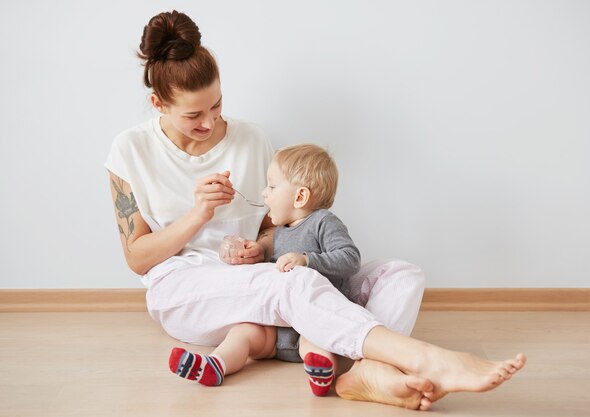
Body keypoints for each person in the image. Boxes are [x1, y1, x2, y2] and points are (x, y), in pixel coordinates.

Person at [105, 10, 526, 411]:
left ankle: (363, 373)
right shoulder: (130, 150)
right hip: (184, 289)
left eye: (216, 106)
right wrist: (198, 215)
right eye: (193, 115)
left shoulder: (252, 139)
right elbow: (137, 258)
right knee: (292, 282)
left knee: (399, 275)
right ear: (159, 104)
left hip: (261, 278)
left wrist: (259, 247)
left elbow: (275, 229)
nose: (210, 123)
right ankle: (423, 359)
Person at [170, 143, 370, 397]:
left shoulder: (323, 222)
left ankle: (322, 372)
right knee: (242, 332)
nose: (264, 194)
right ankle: (216, 365)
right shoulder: (281, 231)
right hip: (275, 329)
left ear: (300, 197)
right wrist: (254, 256)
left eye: (272, 186)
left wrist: (307, 260)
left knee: (315, 342)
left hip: (310, 324)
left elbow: (350, 258)